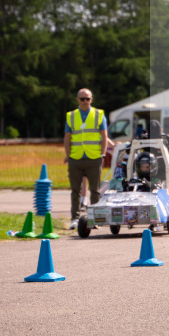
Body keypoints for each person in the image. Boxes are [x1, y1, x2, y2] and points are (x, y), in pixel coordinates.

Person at [64, 88, 108, 230]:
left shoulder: (99, 115)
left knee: (95, 191)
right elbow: (67, 137)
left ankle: (95, 219)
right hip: (76, 158)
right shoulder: (71, 116)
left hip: (94, 158)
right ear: (77, 100)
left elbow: (104, 136)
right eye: (82, 99)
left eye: (87, 99)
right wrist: (68, 154)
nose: (84, 101)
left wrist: (102, 154)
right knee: (75, 190)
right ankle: (75, 219)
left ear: (91, 99)